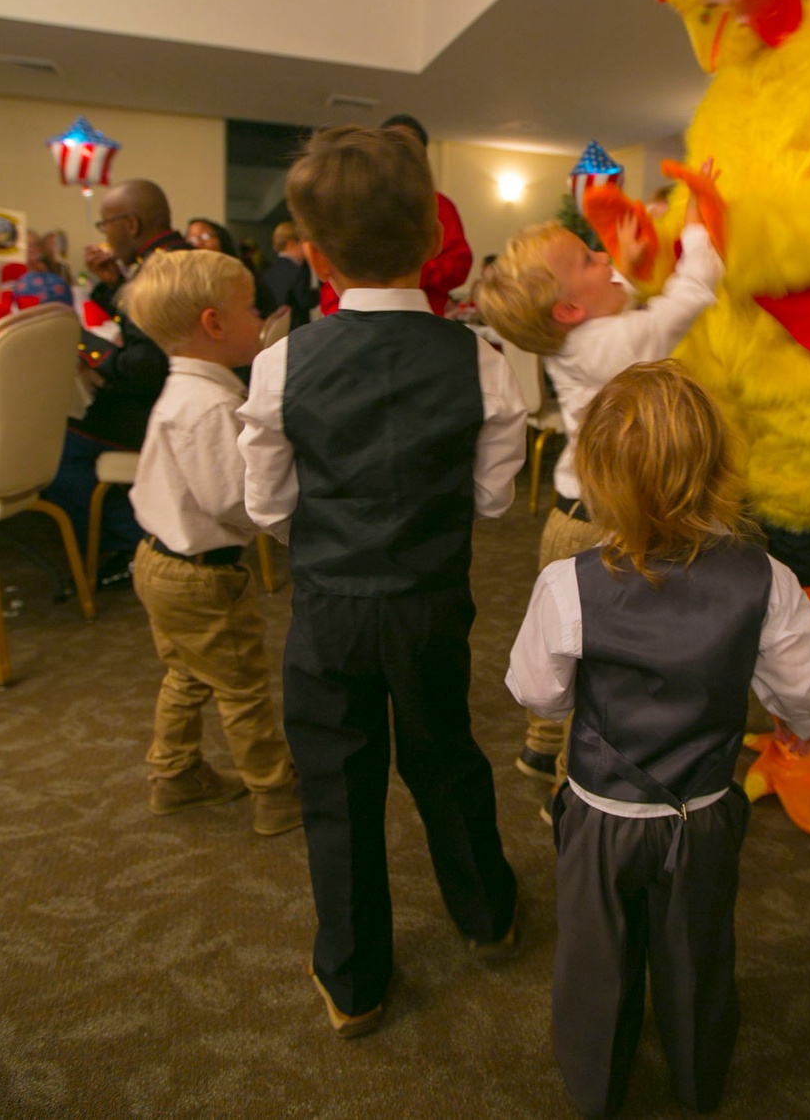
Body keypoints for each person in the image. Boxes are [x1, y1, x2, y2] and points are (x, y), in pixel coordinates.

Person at [238, 125, 525, 1036]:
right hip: (432, 598)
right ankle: (486, 911)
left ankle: (355, 976)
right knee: (445, 752)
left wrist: (333, 535)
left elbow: (267, 506)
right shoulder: (479, 359)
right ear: (432, 244)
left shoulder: (283, 360)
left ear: (314, 254)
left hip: (327, 605)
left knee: (337, 782)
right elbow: (490, 499)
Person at [507, 360, 810, 1117]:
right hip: (706, 812)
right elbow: (806, 696)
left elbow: (537, 692)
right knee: (698, 953)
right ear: (722, 468)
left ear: (596, 475)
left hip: (598, 814)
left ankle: (596, 1086)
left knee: (595, 960)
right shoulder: (768, 578)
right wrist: (805, 729)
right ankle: (698, 1075)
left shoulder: (570, 582)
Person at [477, 174, 723, 808]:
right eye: (590, 259)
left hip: (567, 516)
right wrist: (698, 224)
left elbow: (629, 304)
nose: (605, 257)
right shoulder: (613, 340)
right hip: (605, 527)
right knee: (596, 668)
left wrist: (637, 254)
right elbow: (692, 292)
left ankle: (538, 744)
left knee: (563, 642)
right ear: (567, 310)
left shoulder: (581, 339)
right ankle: (572, 791)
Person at [123, 250, 301, 835]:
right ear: (213, 324)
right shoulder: (211, 405)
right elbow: (234, 499)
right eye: (250, 307)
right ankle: (275, 793)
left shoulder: (182, 393)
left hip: (158, 561)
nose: (262, 317)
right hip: (202, 574)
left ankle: (173, 774)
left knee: (188, 672)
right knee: (241, 684)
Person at [42, 179, 189, 587]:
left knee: (56, 449)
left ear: (131, 224)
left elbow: (141, 369)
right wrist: (112, 286)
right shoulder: (173, 259)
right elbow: (149, 331)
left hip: (162, 410)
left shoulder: (156, 271)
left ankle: (126, 546)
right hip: (178, 397)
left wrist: (76, 336)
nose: (104, 234)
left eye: (106, 224)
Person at [317, 113, 472, 317]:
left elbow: (458, 265)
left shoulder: (438, 205)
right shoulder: (354, 199)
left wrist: (412, 271)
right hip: (354, 319)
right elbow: (336, 263)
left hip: (421, 321)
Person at [186, 216, 274, 317]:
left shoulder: (241, 274)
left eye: (205, 236)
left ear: (221, 239)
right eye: (192, 239)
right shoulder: (187, 281)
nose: (198, 243)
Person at [260, 220, 317, 330]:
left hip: (274, 331)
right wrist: (318, 293)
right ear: (291, 244)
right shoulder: (297, 271)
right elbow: (304, 300)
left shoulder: (267, 272)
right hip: (296, 329)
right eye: (303, 243)